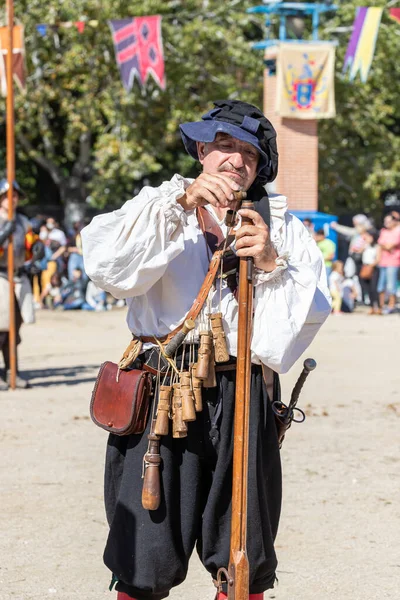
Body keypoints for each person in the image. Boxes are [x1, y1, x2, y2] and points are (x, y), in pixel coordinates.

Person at [81, 99, 331, 600]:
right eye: (225, 146)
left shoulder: (279, 226)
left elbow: (312, 308)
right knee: (145, 549)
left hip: (243, 390)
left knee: (244, 550)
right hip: (162, 387)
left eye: (250, 154)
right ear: (201, 150)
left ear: (259, 168)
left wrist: (269, 262)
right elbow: (108, 269)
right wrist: (181, 206)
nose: (237, 160)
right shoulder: (158, 205)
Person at [0, 179, 36, 389]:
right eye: (7, 195)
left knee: (15, 327)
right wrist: (3, 233)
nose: (12, 199)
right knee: (1, 330)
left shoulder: (23, 221)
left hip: (19, 278)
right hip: (0, 277)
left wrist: (37, 251)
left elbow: (30, 245)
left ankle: (12, 371)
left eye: (14, 195)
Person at [377, 214, 400, 313]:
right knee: (380, 285)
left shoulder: (398, 231)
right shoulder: (383, 231)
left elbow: (389, 246)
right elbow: (381, 245)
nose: (386, 224)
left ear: (394, 221)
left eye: (389, 221)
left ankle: (391, 306)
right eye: (385, 221)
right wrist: (385, 246)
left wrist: (384, 246)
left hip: (393, 262)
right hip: (383, 261)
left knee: (391, 285)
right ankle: (381, 306)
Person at [359, 229, 381, 315]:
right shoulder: (365, 245)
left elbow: (378, 259)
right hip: (364, 267)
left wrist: (370, 266)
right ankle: (372, 307)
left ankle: (378, 307)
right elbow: (358, 251)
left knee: (373, 288)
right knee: (367, 289)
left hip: (373, 268)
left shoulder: (377, 246)